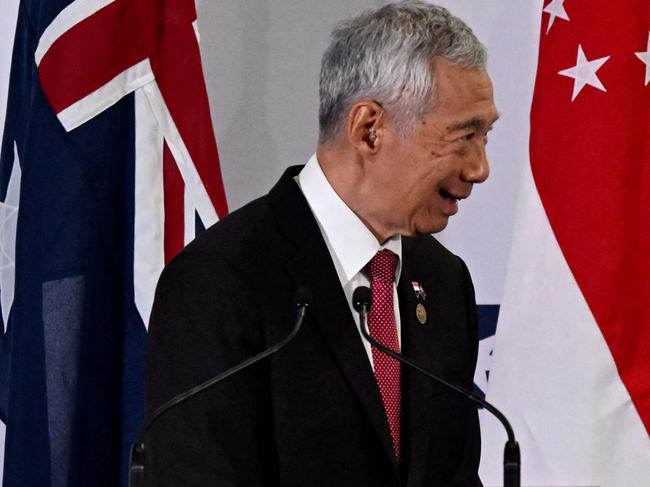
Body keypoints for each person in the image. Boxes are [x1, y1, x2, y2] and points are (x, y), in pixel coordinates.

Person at [145, 1, 498, 486]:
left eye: (486, 136)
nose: (479, 168)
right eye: (463, 137)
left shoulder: (443, 281)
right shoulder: (221, 279)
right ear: (369, 129)